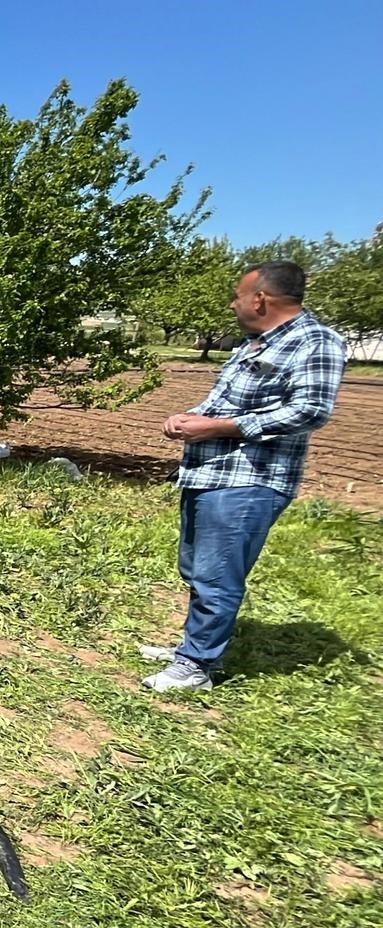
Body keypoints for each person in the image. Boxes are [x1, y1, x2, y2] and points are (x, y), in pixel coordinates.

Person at [142, 260, 347, 692]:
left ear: (260, 298)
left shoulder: (315, 342)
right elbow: (224, 401)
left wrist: (218, 427)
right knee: (197, 567)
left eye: (237, 295)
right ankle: (193, 646)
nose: (233, 304)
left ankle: (195, 666)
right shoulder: (252, 344)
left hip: (251, 478)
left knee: (218, 574)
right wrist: (191, 417)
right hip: (209, 471)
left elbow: (310, 410)